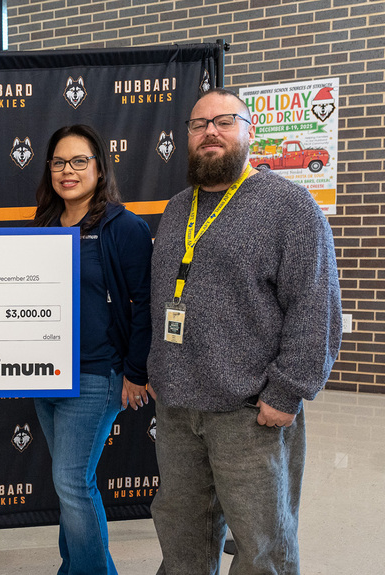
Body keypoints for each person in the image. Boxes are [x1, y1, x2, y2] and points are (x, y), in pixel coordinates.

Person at [147, 88, 342, 574]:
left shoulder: (290, 208)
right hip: (177, 411)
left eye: (224, 121)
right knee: (181, 538)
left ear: (249, 132)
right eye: (198, 125)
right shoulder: (176, 209)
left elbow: (316, 308)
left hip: (249, 413)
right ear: (188, 138)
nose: (210, 131)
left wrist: (287, 393)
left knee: (262, 547)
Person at [30, 125, 153, 575]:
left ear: (100, 168)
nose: (68, 170)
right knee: (72, 485)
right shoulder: (42, 225)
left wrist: (136, 372)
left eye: (80, 161)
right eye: (59, 162)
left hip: (97, 375)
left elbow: (146, 307)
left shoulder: (124, 228)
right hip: (43, 373)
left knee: (71, 482)